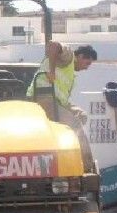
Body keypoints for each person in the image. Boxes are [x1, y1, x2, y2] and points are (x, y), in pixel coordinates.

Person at [27, 42, 98, 171]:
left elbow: (63, 99)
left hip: (57, 101)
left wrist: (75, 112)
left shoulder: (70, 72)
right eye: (87, 63)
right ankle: (87, 168)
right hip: (44, 98)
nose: (86, 68)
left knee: (81, 116)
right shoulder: (69, 56)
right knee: (75, 124)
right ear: (80, 56)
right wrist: (51, 71)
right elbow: (53, 45)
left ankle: (64, 151)